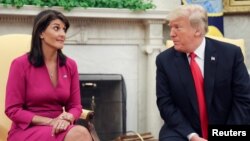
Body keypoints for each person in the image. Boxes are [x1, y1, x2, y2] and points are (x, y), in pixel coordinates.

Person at [156, 4, 250, 141]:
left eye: (177, 27)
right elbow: (165, 104)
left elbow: (244, 100)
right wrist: (192, 136)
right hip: (183, 129)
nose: (171, 34)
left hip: (227, 125)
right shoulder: (164, 60)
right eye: (171, 27)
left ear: (198, 31)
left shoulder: (230, 54)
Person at [5, 10, 92, 141]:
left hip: (59, 127)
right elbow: (13, 110)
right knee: (79, 134)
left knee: (80, 133)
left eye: (64, 30)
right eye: (56, 28)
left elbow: (75, 106)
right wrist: (50, 121)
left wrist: (68, 117)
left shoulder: (70, 65)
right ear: (41, 33)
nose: (62, 34)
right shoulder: (20, 64)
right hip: (27, 130)